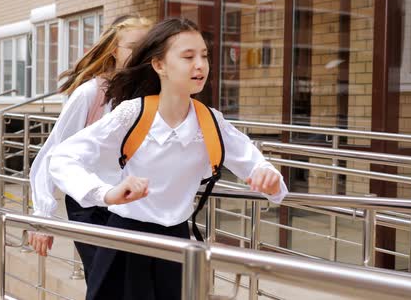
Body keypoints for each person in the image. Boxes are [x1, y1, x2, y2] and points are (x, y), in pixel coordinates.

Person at [48, 17, 288, 300]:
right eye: (188, 56)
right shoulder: (132, 114)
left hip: (176, 245)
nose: (200, 65)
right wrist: (106, 193)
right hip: (126, 243)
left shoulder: (211, 121)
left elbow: (255, 162)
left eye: (204, 56)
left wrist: (269, 178)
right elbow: (62, 157)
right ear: (159, 65)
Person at [28, 15, 153, 281]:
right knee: (105, 281)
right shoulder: (90, 94)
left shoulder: (151, 96)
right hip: (90, 205)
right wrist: (43, 216)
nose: (140, 54)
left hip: (134, 205)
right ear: (113, 50)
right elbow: (54, 153)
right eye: (133, 46)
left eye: (148, 47)